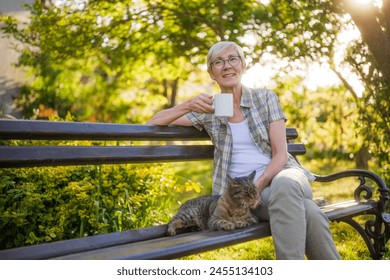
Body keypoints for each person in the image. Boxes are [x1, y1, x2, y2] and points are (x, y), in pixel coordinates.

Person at [147, 41, 340, 260]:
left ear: (243, 65)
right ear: (211, 73)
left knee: (285, 185)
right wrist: (188, 105)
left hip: (284, 175)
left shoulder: (265, 98)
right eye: (218, 62)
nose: (227, 66)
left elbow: (280, 154)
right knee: (310, 211)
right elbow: (154, 121)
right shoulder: (210, 109)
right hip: (246, 197)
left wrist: (257, 187)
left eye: (233, 59)